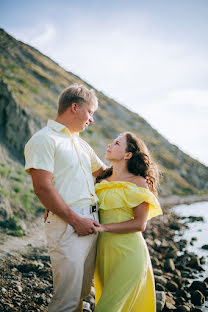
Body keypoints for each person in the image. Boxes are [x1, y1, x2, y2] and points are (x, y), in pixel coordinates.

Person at [24, 84, 106, 312]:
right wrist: (75, 220)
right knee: (66, 300)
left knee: (80, 294)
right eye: (90, 112)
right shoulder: (44, 139)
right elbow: (42, 188)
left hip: (91, 222)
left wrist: (140, 171)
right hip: (68, 223)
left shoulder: (81, 144)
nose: (92, 119)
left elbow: (105, 175)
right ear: (74, 107)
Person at [94, 132, 162, 312]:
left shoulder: (139, 182)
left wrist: (103, 227)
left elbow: (140, 224)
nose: (110, 144)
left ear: (128, 155)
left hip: (130, 253)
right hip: (103, 252)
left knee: (106, 308)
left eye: (116, 143)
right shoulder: (100, 178)